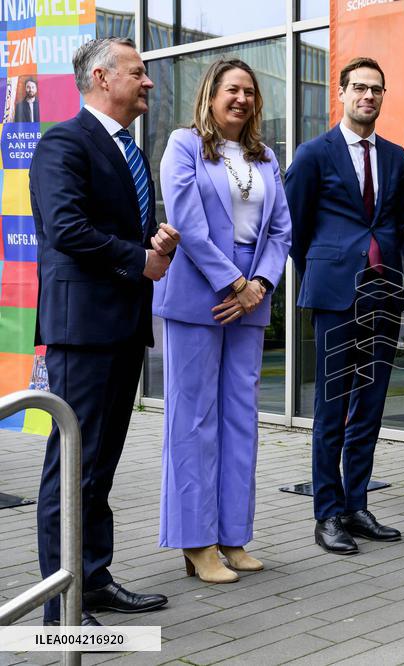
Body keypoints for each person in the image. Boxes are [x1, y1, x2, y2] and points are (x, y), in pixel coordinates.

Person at [31, 37, 179, 625]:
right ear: (101, 77)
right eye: (137, 72)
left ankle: (92, 579)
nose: (148, 82)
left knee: (100, 467)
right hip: (83, 331)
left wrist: (154, 242)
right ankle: (58, 607)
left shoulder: (129, 151)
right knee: (71, 468)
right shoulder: (64, 142)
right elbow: (66, 228)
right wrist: (137, 258)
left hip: (123, 327)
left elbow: (116, 230)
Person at [154, 59, 291, 582]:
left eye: (250, 91)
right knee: (193, 421)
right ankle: (196, 542)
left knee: (240, 420)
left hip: (251, 299)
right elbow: (187, 223)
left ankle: (233, 536)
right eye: (232, 89)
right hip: (200, 297)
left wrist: (260, 285)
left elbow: (280, 230)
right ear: (211, 95)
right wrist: (235, 282)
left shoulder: (266, 157)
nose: (242, 98)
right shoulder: (184, 145)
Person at [285, 57, 404, 555]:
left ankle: (356, 504)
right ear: (341, 93)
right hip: (336, 295)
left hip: (384, 293)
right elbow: (294, 228)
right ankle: (328, 513)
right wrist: (325, 268)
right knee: (332, 407)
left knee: (371, 405)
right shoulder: (314, 154)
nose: (368, 96)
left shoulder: (396, 156)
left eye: (376, 89)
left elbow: (396, 223)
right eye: (359, 87)